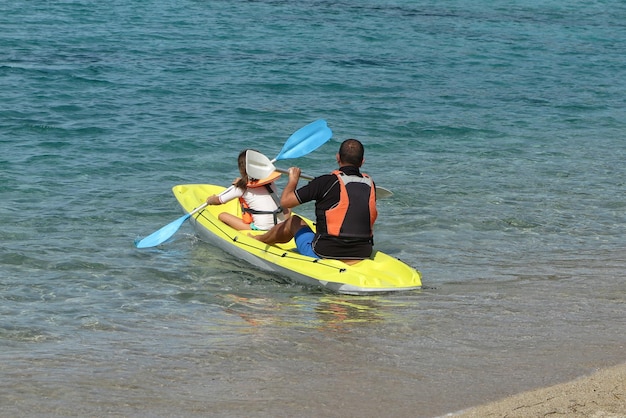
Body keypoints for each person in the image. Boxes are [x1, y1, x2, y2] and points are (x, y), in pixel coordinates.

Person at [253, 139, 378, 263]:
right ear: (362, 162)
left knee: (293, 221)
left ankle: (259, 240)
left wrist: (293, 180)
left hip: (325, 252)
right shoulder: (370, 184)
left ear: (338, 157)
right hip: (363, 252)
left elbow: (285, 202)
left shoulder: (325, 182)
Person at [205, 150, 289, 230]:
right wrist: (241, 182)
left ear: (242, 168)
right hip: (280, 223)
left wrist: (210, 200)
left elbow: (219, 201)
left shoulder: (241, 188)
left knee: (222, 216)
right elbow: (254, 183)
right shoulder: (270, 182)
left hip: (262, 228)